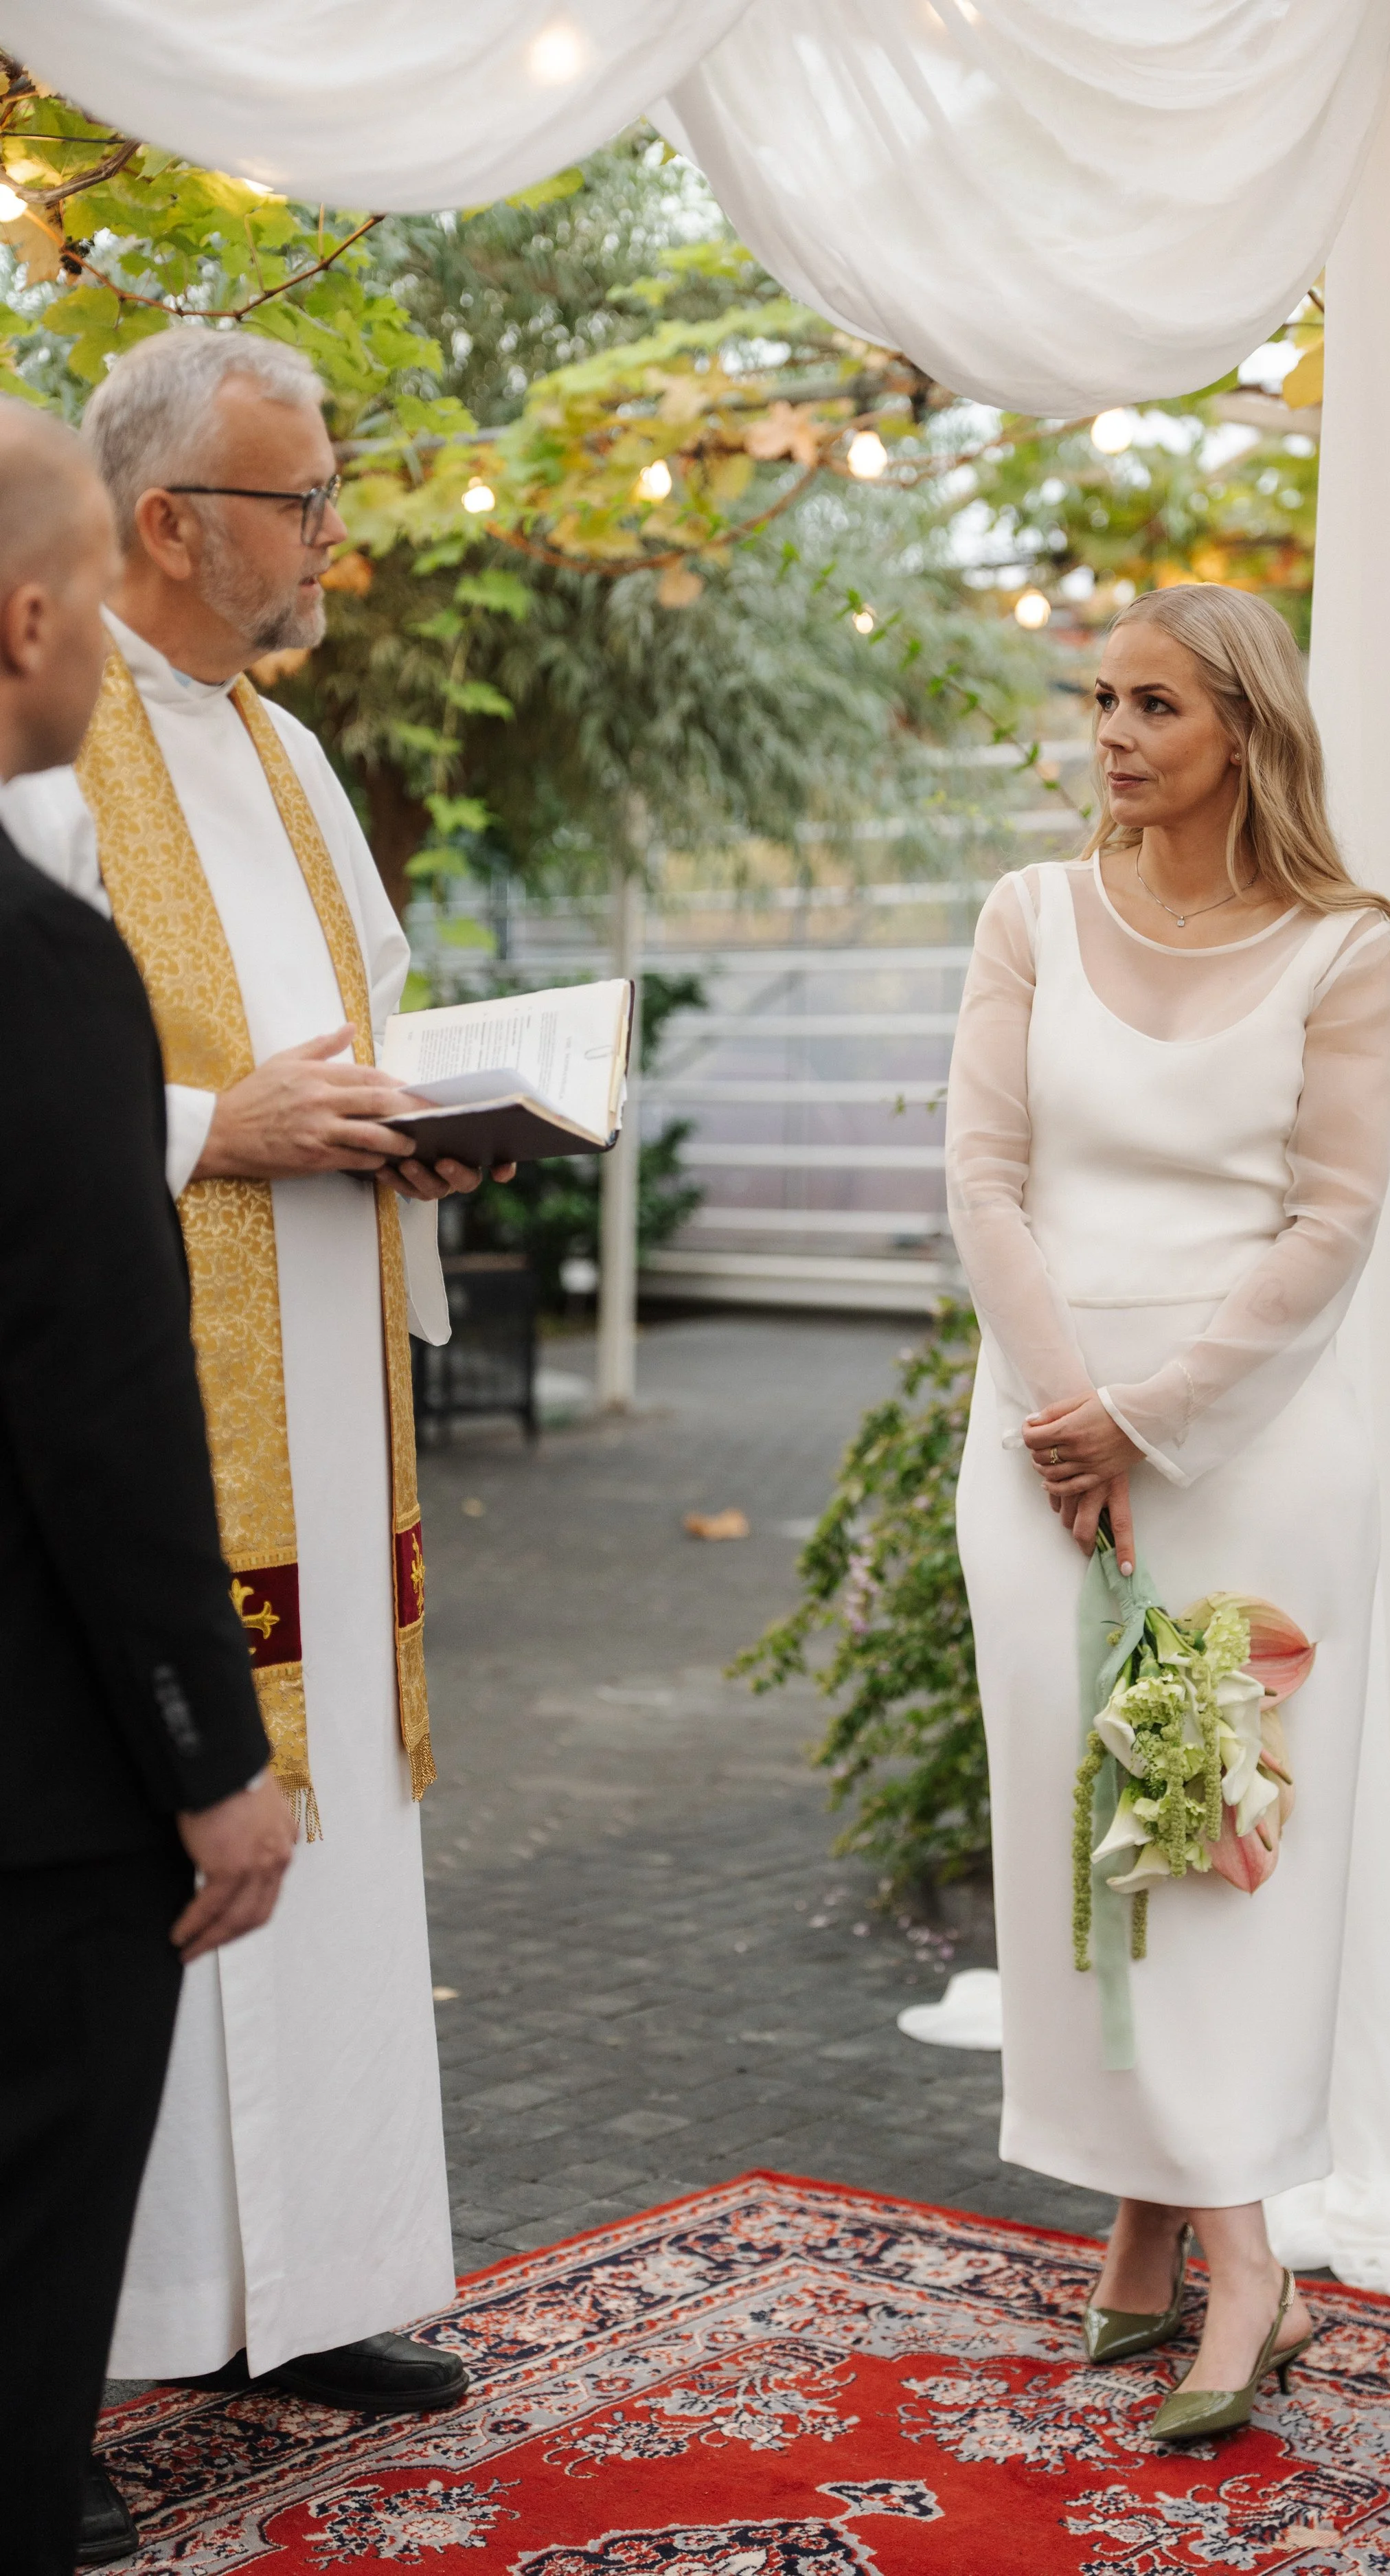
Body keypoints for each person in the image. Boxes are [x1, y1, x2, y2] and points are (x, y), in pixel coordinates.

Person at [3, 327, 506, 2458]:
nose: (330, 535)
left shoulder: (289, 761)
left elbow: (368, 1020)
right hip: (158, 1389)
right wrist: (224, 1127)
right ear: (165, 523)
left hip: (320, 1382)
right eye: (297, 499)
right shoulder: (50, 756)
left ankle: (302, 2289)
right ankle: (75, 2379)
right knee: (143, 1867)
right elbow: (33, 1108)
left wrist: (439, 1126)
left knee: (340, 1845)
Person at [947, 584, 1390, 2439]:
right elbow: (985, 1178)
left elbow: (1330, 1220)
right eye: (1099, 698)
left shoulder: (1340, 944)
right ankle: (1145, 2238)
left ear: (1243, 726)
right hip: (1035, 1443)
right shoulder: (1027, 914)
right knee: (1084, 1838)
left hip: (1252, 1448)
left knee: (1209, 1850)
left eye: (1152, 701)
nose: (1113, 732)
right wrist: (1070, 1417)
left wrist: (1148, 1417)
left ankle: (1243, 2264)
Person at [0, 399, 297, 2574]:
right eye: (97, 591)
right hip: (30, 1779)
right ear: (32, 620)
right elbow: (101, 1399)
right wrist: (214, 1754)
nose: (108, 646)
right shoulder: (41, 964)